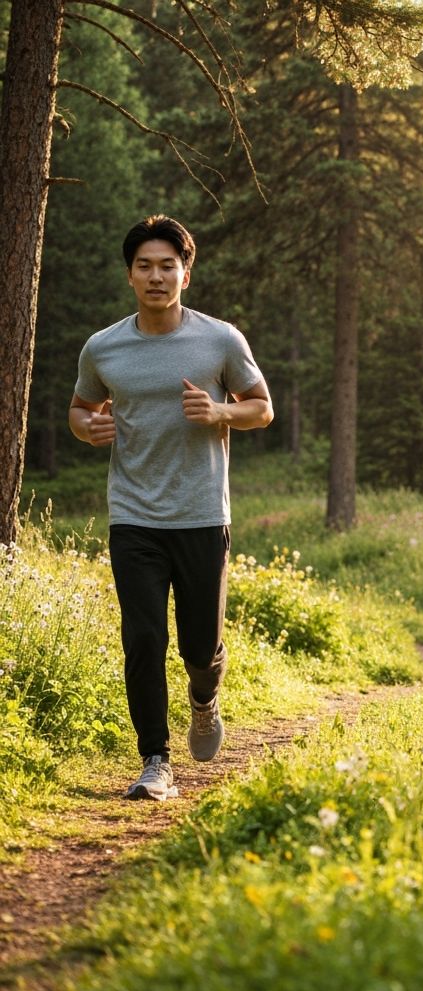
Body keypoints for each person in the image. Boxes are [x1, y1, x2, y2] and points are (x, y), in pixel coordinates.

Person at [69, 214, 274, 801]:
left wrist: (220, 413)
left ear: (185, 272)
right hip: (132, 513)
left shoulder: (220, 340)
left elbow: (261, 408)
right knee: (142, 638)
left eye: (167, 265)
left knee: (198, 646)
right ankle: (156, 759)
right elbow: (80, 409)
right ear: (130, 274)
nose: (156, 276)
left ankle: (205, 696)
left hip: (203, 512)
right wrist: (90, 428)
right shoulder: (104, 347)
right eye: (144, 266)